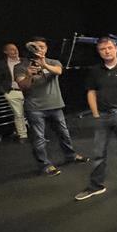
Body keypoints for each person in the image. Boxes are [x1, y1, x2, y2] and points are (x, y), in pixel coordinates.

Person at [75, 36, 117, 201]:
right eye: (103, 49)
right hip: (102, 117)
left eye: (109, 48)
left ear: (115, 48)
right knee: (98, 153)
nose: (107, 51)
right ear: (99, 52)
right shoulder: (95, 71)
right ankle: (95, 186)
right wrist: (95, 114)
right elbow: (91, 92)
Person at [14, 37, 89, 177]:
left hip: (55, 105)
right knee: (39, 138)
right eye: (36, 47)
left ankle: (71, 156)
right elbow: (23, 86)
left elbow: (58, 71)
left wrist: (44, 64)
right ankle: (45, 165)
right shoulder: (21, 66)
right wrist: (29, 75)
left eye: (42, 46)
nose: (39, 49)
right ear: (30, 49)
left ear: (46, 48)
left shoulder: (53, 62)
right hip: (34, 108)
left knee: (64, 134)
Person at [0, 43, 28, 142]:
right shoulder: (1, 64)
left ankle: (37, 133)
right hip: (12, 91)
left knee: (33, 112)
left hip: (28, 91)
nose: (15, 51)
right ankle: (22, 135)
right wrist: (5, 92)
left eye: (16, 49)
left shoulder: (25, 61)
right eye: (11, 50)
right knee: (18, 114)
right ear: (5, 52)